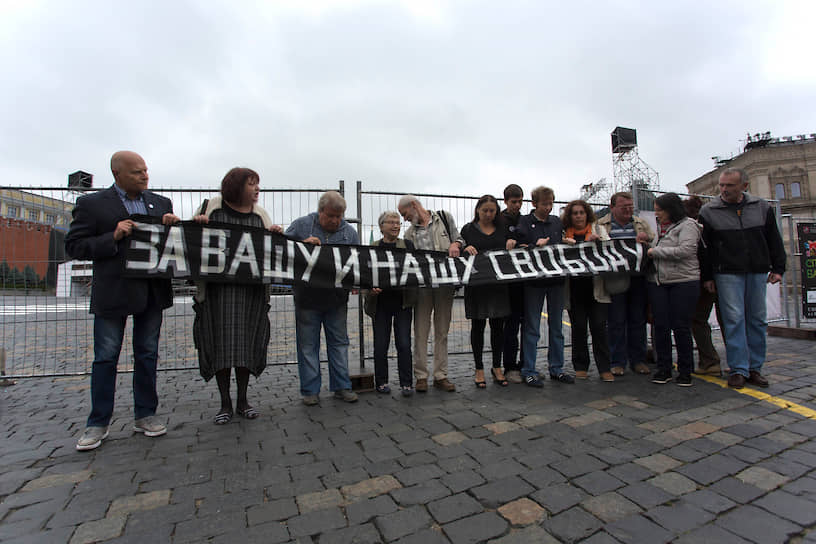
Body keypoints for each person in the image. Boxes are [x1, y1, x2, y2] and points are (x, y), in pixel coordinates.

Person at [65, 151, 180, 451]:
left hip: (151, 292)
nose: (144, 176)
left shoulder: (161, 203)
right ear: (117, 174)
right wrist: (112, 237)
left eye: (145, 170)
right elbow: (75, 246)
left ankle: (146, 415)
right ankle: (98, 422)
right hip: (113, 293)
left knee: (147, 354)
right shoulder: (92, 205)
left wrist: (172, 226)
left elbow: (171, 246)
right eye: (137, 172)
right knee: (106, 357)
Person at [191, 167, 283, 423]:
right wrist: (197, 226)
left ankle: (242, 400)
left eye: (257, 184)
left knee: (245, 348)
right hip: (217, 294)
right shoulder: (211, 210)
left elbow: (270, 253)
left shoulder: (260, 216)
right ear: (235, 186)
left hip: (251, 295)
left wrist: (276, 236)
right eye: (251, 184)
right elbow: (187, 244)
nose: (257, 189)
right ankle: (225, 403)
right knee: (220, 348)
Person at [699, 168, 786, 389]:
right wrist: (707, 276)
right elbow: (704, 249)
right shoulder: (708, 211)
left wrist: (778, 268)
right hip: (727, 272)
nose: (724, 189)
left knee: (757, 319)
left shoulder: (761, 207)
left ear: (744, 186)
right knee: (733, 320)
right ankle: (738, 368)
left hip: (757, 270)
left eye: (730, 185)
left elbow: (773, 239)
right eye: (722, 185)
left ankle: (755, 368)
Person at [285, 191, 360, 405]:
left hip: (337, 299)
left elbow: (358, 262)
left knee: (339, 344)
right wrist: (302, 246)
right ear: (320, 212)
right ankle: (310, 391)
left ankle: (342, 386)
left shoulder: (350, 232)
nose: (335, 221)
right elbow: (281, 251)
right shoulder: (300, 226)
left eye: (339, 216)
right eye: (331, 216)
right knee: (308, 346)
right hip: (307, 298)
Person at [398, 195, 464, 392]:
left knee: (442, 331)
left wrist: (456, 244)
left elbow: (459, 238)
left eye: (404, 214)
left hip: (445, 285)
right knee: (421, 331)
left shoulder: (444, 218)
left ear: (413, 205)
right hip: (422, 288)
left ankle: (440, 375)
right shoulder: (409, 234)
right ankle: (421, 376)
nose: (404, 219)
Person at [514, 186, 573, 386]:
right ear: (534, 204)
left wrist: (566, 242)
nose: (548, 207)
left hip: (556, 281)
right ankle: (529, 370)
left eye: (551, 204)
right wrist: (534, 246)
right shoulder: (525, 221)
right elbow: (518, 248)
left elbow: (559, 242)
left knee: (557, 327)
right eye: (544, 204)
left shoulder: (556, 221)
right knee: (532, 327)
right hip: (534, 282)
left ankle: (557, 368)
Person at [596, 191, 655, 376]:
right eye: (624, 207)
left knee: (637, 320)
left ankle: (638, 360)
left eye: (630, 207)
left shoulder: (640, 223)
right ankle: (617, 361)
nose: (628, 210)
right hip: (615, 279)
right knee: (616, 321)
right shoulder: (600, 225)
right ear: (612, 207)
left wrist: (646, 240)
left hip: (638, 277)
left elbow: (652, 241)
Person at [646, 193, 701, 386]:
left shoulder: (688, 226)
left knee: (681, 326)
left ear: (670, 210)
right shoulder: (660, 229)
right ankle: (664, 368)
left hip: (683, 282)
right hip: (660, 283)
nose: (657, 214)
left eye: (659, 210)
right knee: (660, 326)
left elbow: (686, 250)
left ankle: (685, 370)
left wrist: (655, 252)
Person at [363, 211, 417, 396]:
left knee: (404, 344)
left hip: (403, 302)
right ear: (381, 226)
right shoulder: (372, 248)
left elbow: (416, 269)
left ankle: (407, 383)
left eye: (398, 222)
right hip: (380, 304)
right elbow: (365, 274)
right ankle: (381, 382)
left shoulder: (408, 245)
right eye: (391, 222)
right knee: (380, 345)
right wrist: (370, 291)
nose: (395, 226)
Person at [461, 195, 511, 388]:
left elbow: (515, 244)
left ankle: (497, 366)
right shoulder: (468, 229)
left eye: (492, 211)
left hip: (499, 285)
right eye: (485, 211)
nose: (489, 214)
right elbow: (459, 249)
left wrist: (512, 241)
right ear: (477, 210)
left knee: (498, 327)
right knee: (478, 326)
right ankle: (479, 368)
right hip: (477, 285)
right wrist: (465, 247)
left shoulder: (503, 228)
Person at [561, 200, 614, 382]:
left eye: (581, 213)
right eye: (574, 213)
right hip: (574, 290)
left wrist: (598, 242)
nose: (578, 216)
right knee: (579, 328)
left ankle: (604, 367)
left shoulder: (599, 230)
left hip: (596, 289)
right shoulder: (563, 234)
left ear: (587, 214)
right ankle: (580, 365)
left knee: (599, 328)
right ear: (570, 216)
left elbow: (610, 251)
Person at [684, 196, 724, 375]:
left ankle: (709, 361)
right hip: (723, 275)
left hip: (705, 279)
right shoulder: (712, 223)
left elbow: (703, 253)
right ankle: (739, 362)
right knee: (728, 320)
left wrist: (707, 277)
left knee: (697, 319)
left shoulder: (694, 227)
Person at [500, 184, 525, 383]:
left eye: (520, 201)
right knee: (510, 326)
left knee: (527, 325)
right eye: (513, 202)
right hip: (507, 281)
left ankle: (526, 365)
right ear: (506, 201)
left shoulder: (525, 220)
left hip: (525, 280)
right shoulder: (499, 220)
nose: (517, 205)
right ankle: (509, 366)